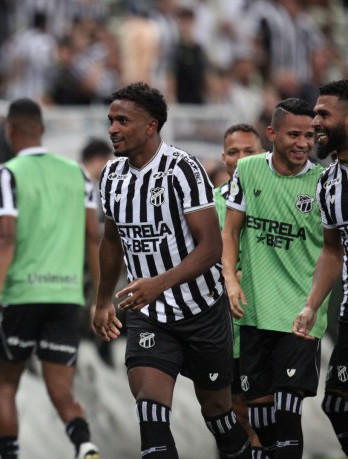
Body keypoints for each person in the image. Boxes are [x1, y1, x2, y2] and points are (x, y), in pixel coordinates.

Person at [91, 82, 251, 459]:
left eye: (122, 121)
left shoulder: (182, 168)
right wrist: (102, 302)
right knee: (149, 410)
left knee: (218, 415)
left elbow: (211, 247)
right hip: (150, 317)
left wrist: (158, 285)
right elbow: (111, 241)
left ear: (151, 125)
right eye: (111, 120)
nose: (112, 128)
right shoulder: (111, 176)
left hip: (202, 312)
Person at [0, 98, 100, 459]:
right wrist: (99, 298)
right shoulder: (77, 172)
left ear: (9, 130)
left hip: (21, 294)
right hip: (66, 295)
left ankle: (10, 455)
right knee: (62, 391)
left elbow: (6, 236)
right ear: (42, 130)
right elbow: (95, 236)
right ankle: (84, 443)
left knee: (6, 385)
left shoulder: (7, 172)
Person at [222, 98, 326, 458]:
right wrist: (231, 280)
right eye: (294, 134)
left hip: (300, 317)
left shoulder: (323, 183)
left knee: (286, 411)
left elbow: (334, 251)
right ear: (272, 134)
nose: (303, 143)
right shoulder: (248, 171)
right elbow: (231, 232)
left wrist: (314, 305)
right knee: (262, 418)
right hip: (255, 314)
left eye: (310, 135)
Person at [293, 79, 348, 457]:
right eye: (314, 114)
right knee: (337, 404)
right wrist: (312, 304)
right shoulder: (328, 182)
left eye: (324, 114)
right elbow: (332, 251)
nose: (315, 123)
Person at [214, 124, 263, 457]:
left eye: (249, 151)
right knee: (228, 414)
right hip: (223, 330)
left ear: (262, 155)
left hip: (266, 325)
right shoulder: (207, 204)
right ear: (224, 158)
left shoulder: (275, 198)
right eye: (234, 152)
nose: (241, 158)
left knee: (262, 414)